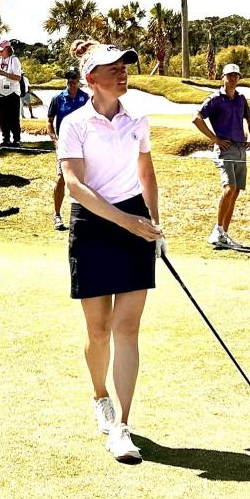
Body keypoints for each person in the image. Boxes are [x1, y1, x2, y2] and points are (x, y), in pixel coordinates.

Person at [57, 39, 163, 465]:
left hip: (135, 222)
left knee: (127, 329)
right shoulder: (74, 124)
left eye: (125, 65)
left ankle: (122, 425)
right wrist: (127, 223)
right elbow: (76, 186)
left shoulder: (138, 119)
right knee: (98, 330)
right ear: (90, 79)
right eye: (112, 67)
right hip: (93, 225)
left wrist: (154, 225)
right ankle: (99, 396)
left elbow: (146, 171)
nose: (122, 72)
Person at [192, 63, 250, 249]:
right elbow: (197, 118)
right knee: (229, 188)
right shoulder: (215, 99)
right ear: (223, 78)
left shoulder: (241, 99)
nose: (233, 79)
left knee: (235, 192)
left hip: (240, 149)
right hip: (225, 149)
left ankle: (224, 234)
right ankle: (217, 231)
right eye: (230, 75)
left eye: (236, 76)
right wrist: (215, 139)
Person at [46, 68, 90, 231]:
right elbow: (50, 122)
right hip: (64, 145)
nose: (71, 81)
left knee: (86, 179)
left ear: (79, 79)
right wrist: (55, 140)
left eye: (74, 78)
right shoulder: (58, 99)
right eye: (68, 78)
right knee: (61, 178)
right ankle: (57, 215)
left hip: (84, 144)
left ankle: (86, 215)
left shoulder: (85, 98)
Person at [0, 39, 22, 146]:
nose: (0, 52)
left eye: (2, 50)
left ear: (8, 49)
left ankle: (16, 139)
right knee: (3, 117)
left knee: (13, 117)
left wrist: (5, 74)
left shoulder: (14, 60)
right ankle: (5, 139)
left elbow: (18, 77)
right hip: (0, 92)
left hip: (12, 92)